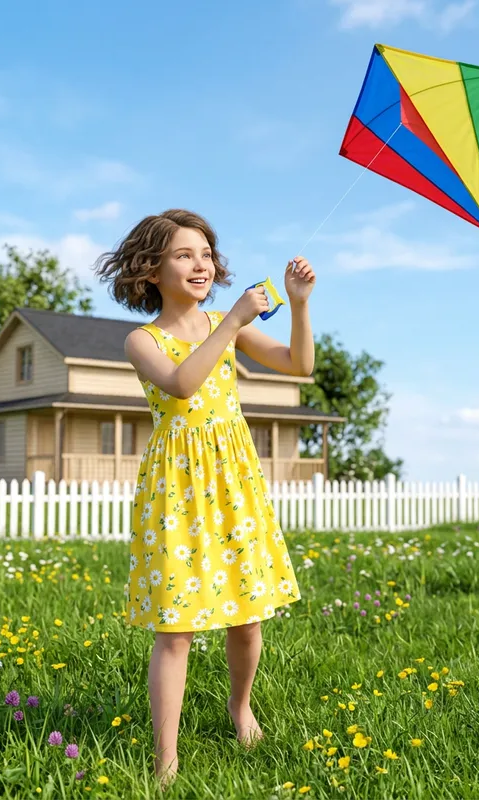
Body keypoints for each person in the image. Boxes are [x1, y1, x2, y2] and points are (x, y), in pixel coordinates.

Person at [95, 209, 316, 785]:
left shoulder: (230, 322)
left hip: (234, 480)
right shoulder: (142, 339)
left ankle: (240, 708)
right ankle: (165, 758)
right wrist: (233, 320)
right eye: (183, 255)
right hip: (177, 489)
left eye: (206, 254)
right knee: (176, 629)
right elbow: (181, 383)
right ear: (150, 271)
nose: (201, 264)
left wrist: (297, 302)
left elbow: (300, 367)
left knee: (247, 618)